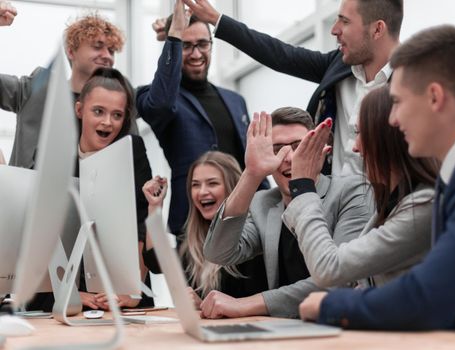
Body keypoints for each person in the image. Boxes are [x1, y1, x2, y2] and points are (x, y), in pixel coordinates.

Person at [300, 25, 455, 332]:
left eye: (399, 102)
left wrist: (329, 305)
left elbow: (429, 295)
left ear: (434, 97)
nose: (392, 119)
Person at [182, 0, 402, 176]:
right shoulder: (338, 65)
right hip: (333, 207)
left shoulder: (413, 86)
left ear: (377, 29)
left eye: (345, 21)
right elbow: (279, 54)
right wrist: (215, 19)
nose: (334, 30)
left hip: (385, 209)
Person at [200, 108, 372, 319]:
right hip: (283, 332)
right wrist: (252, 174)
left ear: (322, 149)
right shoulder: (264, 202)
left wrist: (246, 304)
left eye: (299, 146)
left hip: (339, 327)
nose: (289, 157)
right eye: (277, 149)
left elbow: (340, 279)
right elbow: (218, 253)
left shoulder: (353, 192)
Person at [281, 85, 437, 291]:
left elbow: (329, 269)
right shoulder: (395, 202)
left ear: (388, 137)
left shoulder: (423, 205)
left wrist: (304, 188)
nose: (355, 147)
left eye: (360, 132)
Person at [137, 0, 269, 238]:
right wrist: (173, 36)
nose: (196, 53)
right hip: (193, 225)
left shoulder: (235, 100)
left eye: (202, 44)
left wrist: (268, 209)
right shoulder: (156, 97)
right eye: (186, 46)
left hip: (243, 223)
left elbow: (250, 159)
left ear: (211, 45)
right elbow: (161, 104)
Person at [28, 68, 152, 311]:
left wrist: (132, 289)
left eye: (117, 115)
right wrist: (68, 292)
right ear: (79, 110)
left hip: (122, 292)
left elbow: (141, 221)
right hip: (60, 291)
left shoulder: (132, 149)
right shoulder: (52, 153)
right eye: (98, 111)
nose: (108, 122)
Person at [0, 11, 133, 168]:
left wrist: (170, 36)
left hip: (92, 190)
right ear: (71, 51)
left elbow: (159, 100)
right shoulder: (36, 89)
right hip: (29, 189)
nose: (107, 56)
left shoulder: (121, 100)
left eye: (111, 50)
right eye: (98, 47)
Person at [141, 151, 268, 307]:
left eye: (212, 183)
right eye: (195, 185)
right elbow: (155, 261)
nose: (202, 192)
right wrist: (155, 206)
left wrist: (202, 305)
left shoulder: (253, 234)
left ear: (234, 188)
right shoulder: (190, 241)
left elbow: (261, 301)